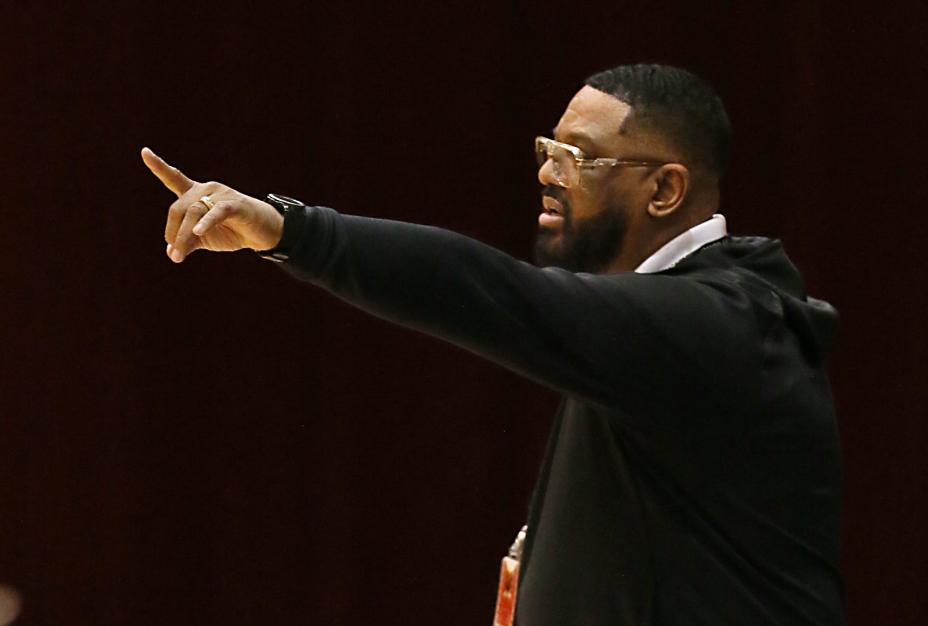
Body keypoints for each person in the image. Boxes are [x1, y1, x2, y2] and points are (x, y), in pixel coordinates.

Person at [142, 64, 845, 625]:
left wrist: (289, 230)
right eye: (548, 149)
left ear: (663, 190)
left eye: (579, 158)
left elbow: (489, 291)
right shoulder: (658, 321)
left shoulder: (710, 323)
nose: (547, 171)